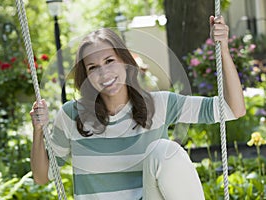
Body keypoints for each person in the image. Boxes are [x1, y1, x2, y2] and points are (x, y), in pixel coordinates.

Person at [30, 16, 245, 200]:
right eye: (93, 67)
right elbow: (42, 176)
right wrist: (38, 130)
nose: (104, 74)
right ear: (86, 76)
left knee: (165, 151)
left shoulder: (159, 104)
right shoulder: (72, 116)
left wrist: (223, 48)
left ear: (125, 61)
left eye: (109, 61)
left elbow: (232, 109)